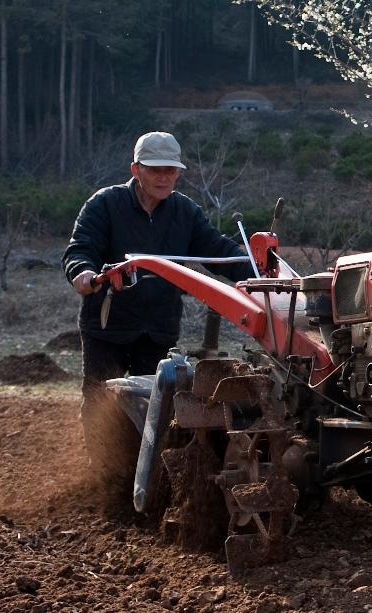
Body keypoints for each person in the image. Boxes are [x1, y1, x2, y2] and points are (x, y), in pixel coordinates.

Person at [63, 131, 251, 469]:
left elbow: (218, 251)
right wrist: (84, 275)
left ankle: (145, 472)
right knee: (100, 400)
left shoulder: (184, 212)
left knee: (154, 405)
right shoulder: (105, 204)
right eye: (155, 169)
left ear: (179, 172)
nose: (163, 177)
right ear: (136, 170)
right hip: (109, 328)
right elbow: (80, 250)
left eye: (170, 170)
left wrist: (255, 273)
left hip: (158, 329)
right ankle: (104, 474)